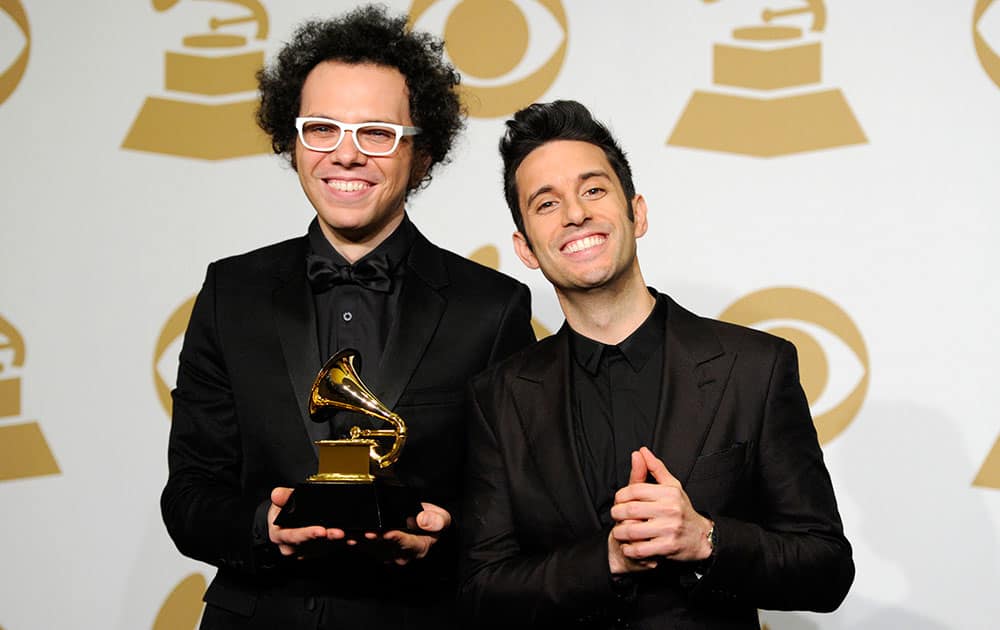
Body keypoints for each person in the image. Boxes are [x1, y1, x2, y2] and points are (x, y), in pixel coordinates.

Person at [160, 6, 534, 629]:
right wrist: (266, 528)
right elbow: (191, 495)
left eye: (377, 133)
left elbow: (520, 505)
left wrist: (445, 535)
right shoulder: (231, 291)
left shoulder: (491, 307)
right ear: (291, 137)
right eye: (323, 129)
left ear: (423, 151)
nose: (346, 155)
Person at [460, 100, 854, 629]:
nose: (576, 213)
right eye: (546, 204)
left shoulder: (754, 368)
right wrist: (607, 561)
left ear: (636, 212)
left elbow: (826, 570)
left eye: (594, 190)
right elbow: (481, 591)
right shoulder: (499, 396)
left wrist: (704, 540)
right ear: (525, 248)